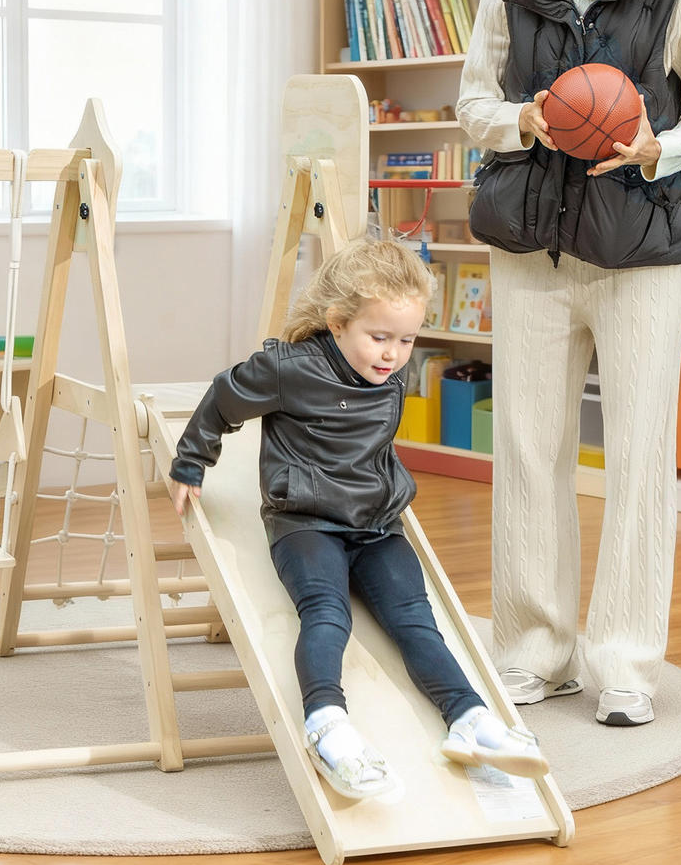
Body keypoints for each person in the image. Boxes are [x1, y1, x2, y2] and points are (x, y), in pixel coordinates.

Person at [457, 0, 681, 727]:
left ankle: (620, 660)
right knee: (528, 450)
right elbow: (472, 104)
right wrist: (525, 120)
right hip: (532, 246)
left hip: (641, 249)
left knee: (638, 455)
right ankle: (535, 648)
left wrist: (658, 147)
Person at [168, 238, 548, 800]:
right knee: (327, 612)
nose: (393, 354)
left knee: (415, 620)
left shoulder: (383, 369)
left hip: (376, 525)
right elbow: (225, 398)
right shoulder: (288, 369)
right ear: (338, 322)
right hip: (306, 523)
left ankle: (469, 718)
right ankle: (325, 724)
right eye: (379, 337)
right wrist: (191, 461)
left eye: (407, 339)